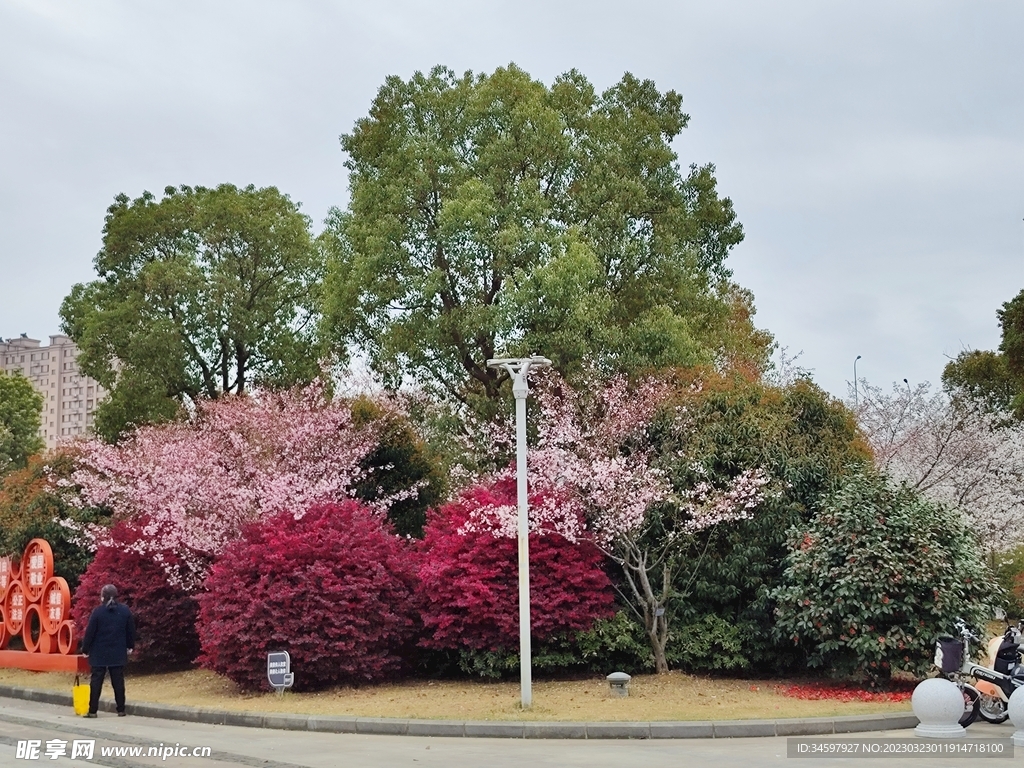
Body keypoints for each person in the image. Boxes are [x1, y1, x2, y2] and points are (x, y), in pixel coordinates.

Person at [80, 584, 136, 718]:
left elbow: (90, 633)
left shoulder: (98, 612)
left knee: (96, 681)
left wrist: (85, 649)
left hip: (99, 652)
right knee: (118, 681)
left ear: (102, 597)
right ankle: (121, 709)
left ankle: (93, 710)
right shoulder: (125, 611)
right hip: (118, 651)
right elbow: (131, 631)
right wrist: (130, 646)